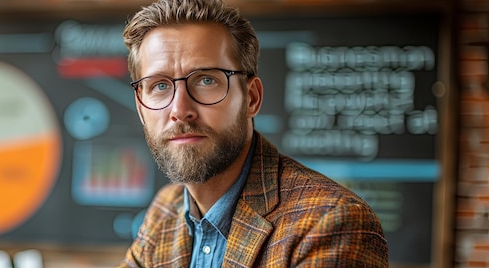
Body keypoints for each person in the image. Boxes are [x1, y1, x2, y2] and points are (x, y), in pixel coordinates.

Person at [119, 0, 389, 267]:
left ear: (251, 98)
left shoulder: (331, 222)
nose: (180, 110)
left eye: (206, 80)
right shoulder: (166, 208)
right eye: (159, 86)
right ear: (141, 108)